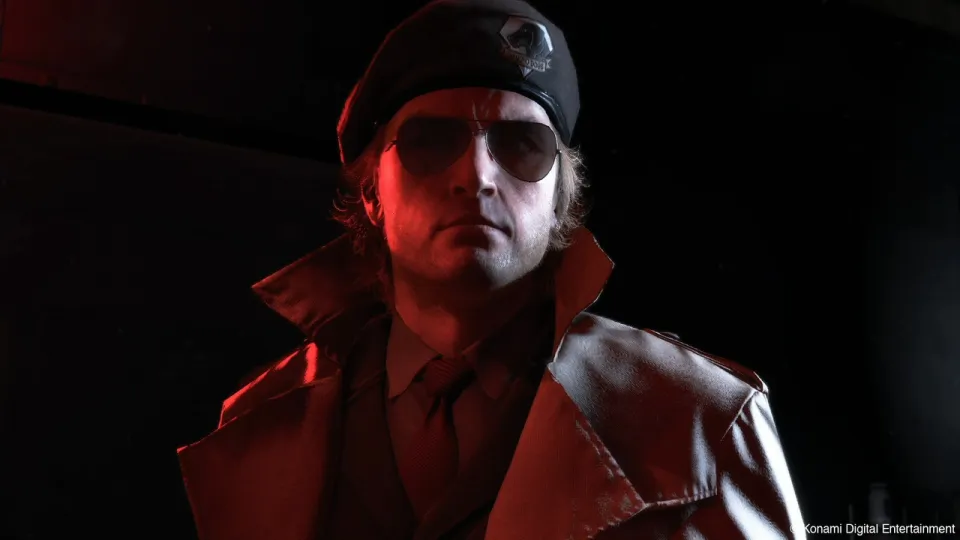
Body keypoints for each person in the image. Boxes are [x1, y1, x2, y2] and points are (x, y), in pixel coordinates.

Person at [177, 0, 807, 538]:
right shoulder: (259, 423)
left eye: (521, 144)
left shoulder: (701, 421)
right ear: (371, 192)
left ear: (560, 196)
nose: (476, 177)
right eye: (430, 141)